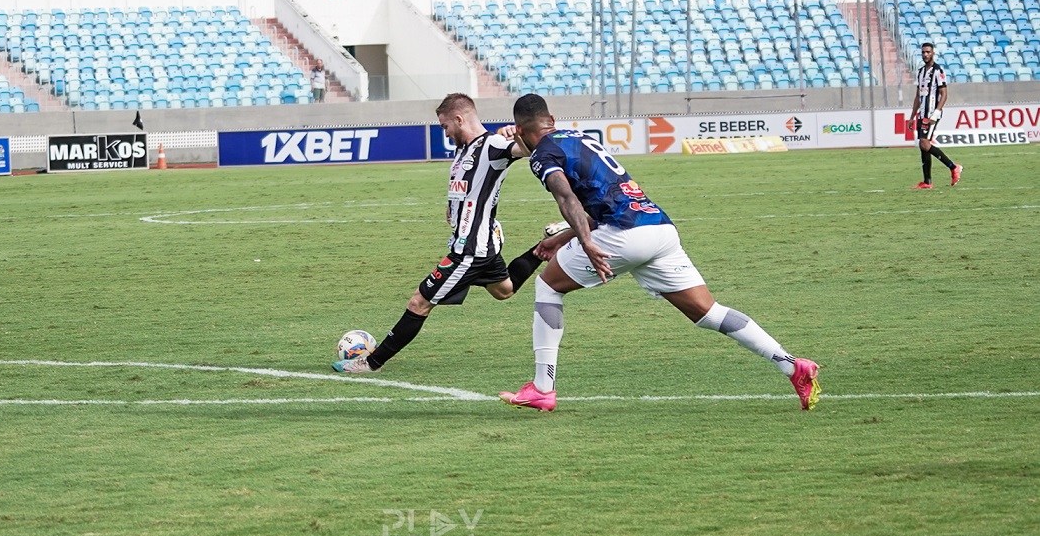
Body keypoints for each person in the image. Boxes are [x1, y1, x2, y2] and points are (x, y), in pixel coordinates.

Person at [498, 93, 820, 412]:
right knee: (708, 312)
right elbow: (603, 198)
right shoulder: (579, 138)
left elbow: (567, 199)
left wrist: (586, 242)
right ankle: (792, 366)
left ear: (522, 131)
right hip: (659, 229)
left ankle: (543, 388)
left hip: (624, 234)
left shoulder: (543, 153)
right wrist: (567, 236)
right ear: (552, 120)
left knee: (549, 286)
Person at [333, 93, 545, 374]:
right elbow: (468, 187)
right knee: (504, 290)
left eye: (445, 126)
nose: (444, 132)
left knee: (419, 302)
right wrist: (452, 207)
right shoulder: (463, 151)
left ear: (459, 119)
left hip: (470, 251)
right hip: (482, 244)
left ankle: (369, 363)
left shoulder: (492, 144)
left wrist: (515, 135)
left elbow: (528, 149)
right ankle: (545, 247)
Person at [909, 42, 961, 189]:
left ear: (933, 53)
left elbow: (944, 94)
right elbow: (918, 96)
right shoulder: (920, 72)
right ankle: (927, 182)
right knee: (922, 145)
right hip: (922, 113)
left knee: (925, 143)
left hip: (932, 113)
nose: (925, 54)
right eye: (923, 52)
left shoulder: (938, 71)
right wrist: (912, 116)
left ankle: (953, 167)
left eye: (928, 52)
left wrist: (936, 113)